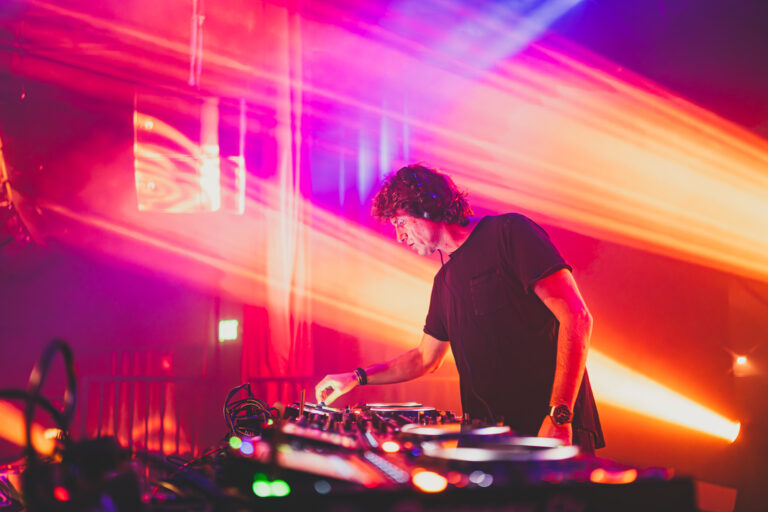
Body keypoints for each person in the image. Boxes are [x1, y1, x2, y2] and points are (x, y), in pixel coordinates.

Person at [314, 164, 603, 452]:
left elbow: (576, 317)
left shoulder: (510, 233)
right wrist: (356, 377)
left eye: (401, 223)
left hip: (547, 429)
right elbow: (424, 358)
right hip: (488, 443)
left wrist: (559, 416)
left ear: (427, 207)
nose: (400, 236)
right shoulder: (444, 282)